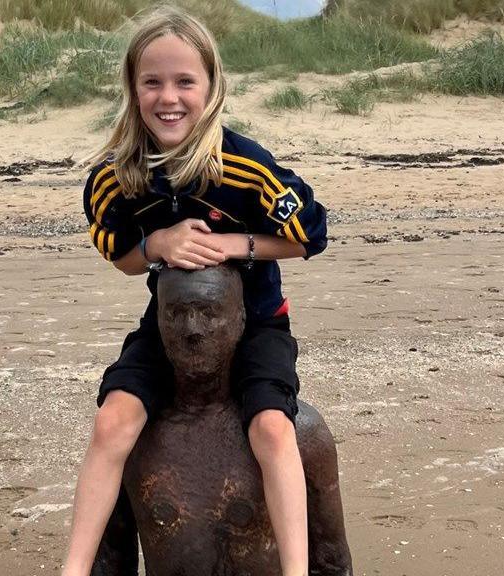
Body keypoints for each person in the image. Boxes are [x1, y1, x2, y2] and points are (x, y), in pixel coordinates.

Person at [62, 6, 327, 576]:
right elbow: (121, 257)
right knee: (113, 421)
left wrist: (237, 246)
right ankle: (73, 569)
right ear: (133, 90)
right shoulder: (117, 177)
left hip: (256, 322)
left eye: (185, 81)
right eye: (152, 82)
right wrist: (156, 243)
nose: (169, 97)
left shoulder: (245, 167)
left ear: (211, 87)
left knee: (274, 428)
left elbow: (310, 236)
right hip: (171, 326)